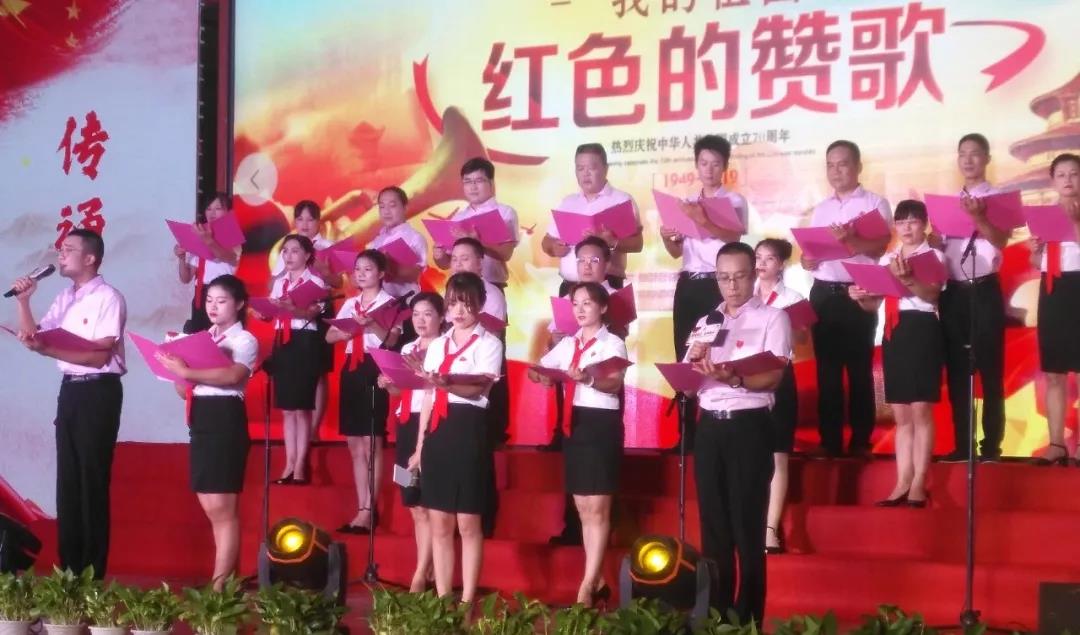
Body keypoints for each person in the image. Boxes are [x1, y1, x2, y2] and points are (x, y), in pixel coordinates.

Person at [12, 228, 127, 578]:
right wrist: (23, 302)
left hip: (99, 392)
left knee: (91, 480)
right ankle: (69, 572)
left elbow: (99, 356)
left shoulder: (108, 297)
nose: (60, 255)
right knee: (68, 482)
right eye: (60, 249)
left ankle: (92, 573)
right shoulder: (65, 297)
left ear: (90, 258)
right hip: (71, 391)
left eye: (69, 249)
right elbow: (35, 337)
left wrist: (47, 348)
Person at [687, 241, 791, 623]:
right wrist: (689, 368)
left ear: (754, 275)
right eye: (723, 278)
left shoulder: (773, 318)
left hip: (748, 426)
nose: (731, 286)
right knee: (713, 530)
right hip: (709, 428)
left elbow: (773, 377)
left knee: (747, 530)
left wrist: (732, 377)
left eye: (739, 277)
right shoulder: (706, 322)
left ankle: (747, 622)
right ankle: (715, 618)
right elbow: (688, 382)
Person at [528, 282, 627, 606]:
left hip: (600, 424)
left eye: (587, 303)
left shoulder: (613, 342)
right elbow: (537, 370)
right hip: (575, 425)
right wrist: (542, 376)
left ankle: (586, 585)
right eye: (576, 304)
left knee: (598, 507)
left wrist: (589, 379)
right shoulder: (568, 343)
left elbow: (614, 383)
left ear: (602, 308)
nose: (581, 309)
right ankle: (597, 579)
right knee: (583, 507)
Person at [408, 272, 503, 604]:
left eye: (466, 303)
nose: (459, 311)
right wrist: (420, 446)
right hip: (439, 433)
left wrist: (445, 383)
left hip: (469, 431)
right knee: (439, 523)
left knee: (468, 523)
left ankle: (467, 600)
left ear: (480, 304)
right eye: (453, 304)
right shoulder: (438, 345)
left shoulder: (490, 344)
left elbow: (478, 388)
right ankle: (443, 598)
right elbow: (428, 398)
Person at [156, 274, 256, 589]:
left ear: (238, 304)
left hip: (225, 419)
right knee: (211, 506)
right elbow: (183, 392)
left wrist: (187, 370)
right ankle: (229, 582)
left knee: (223, 509)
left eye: (221, 301)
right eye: (209, 300)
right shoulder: (201, 339)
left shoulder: (244, 340)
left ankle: (219, 587)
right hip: (200, 418)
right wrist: (176, 371)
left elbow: (233, 376)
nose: (213, 306)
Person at [849, 201, 945, 507]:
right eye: (901, 222)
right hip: (894, 331)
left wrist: (908, 279)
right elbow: (873, 305)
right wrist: (859, 296)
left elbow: (933, 294)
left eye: (913, 222)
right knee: (901, 415)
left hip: (923, 329)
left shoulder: (933, 256)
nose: (907, 227)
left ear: (924, 224)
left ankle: (919, 481)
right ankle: (902, 480)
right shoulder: (888, 258)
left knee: (920, 410)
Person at [803, 140, 892, 458]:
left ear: (857, 167)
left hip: (859, 293)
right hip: (824, 292)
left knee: (858, 370)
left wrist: (851, 239)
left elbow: (879, 248)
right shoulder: (822, 208)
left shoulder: (875, 203)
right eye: (830, 165)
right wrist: (807, 260)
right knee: (826, 372)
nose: (836, 171)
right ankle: (829, 441)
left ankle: (860, 441)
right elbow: (810, 254)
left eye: (842, 164)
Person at [660, 135, 749, 452]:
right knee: (686, 356)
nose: (709, 169)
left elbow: (734, 238)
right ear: (696, 165)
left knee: (716, 355)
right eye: (703, 163)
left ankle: (716, 430)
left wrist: (703, 219)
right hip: (689, 284)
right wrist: (668, 236)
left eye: (715, 164)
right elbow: (675, 252)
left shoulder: (733, 201)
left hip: (718, 285)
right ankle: (686, 436)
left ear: (725, 167)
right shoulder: (684, 203)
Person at [934, 134, 1010, 462]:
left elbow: (1002, 240)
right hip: (952, 292)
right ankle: (963, 446)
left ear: (987, 158)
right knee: (956, 371)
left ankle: (991, 447)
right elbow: (940, 245)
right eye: (962, 154)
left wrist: (979, 218)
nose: (968, 160)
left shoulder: (998, 198)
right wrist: (933, 241)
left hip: (985, 289)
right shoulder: (948, 202)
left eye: (975, 154)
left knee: (990, 370)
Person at [327, 250, 401, 533]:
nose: (360, 274)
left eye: (367, 269)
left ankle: (371, 508)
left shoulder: (390, 303)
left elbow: (392, 340)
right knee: (355, 443)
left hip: (375, 364)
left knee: (372, 440)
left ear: (381, 273)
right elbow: (329, 335)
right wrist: (345, 333)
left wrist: (371, 323)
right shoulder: (350, 303)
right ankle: (362, 508)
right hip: (351, 366)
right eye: (357, 269)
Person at [378, 291, 445, 592]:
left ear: (441, 317)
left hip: (432, 423)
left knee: (429, 501)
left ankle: (422, 572)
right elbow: (401, 392)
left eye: (428, 314)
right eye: (416, 314)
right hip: (405, 424)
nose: (421, 320)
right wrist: (389, 384)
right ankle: (425, 567)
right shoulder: (407, 347)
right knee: (412, 500)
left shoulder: (444, 347)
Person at [251, 234, 328, 485]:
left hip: (304, 341)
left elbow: (313, 313)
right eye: (285, 251)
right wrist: (263, 313)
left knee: (301, 408)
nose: (288, 256)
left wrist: (292, 308)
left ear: (307, 255)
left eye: (295, 251)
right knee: (287, 409)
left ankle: (300, 466)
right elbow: (273, 313)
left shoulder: (315, 281)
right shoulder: (280, 282)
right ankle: (288, 463)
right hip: (281, 341)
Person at [754, 238, 806, 554]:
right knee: (750, 454)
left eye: (769, 258)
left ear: (781, 264)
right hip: (747, 379)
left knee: (777, 454)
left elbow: (801, 339)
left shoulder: (792, 299)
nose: (761, 264)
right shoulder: (744, 296)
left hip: (780, 375)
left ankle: (771, 528)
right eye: (758, 257)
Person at [272, 200, 339, 441]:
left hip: (319, 307)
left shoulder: (328, 247)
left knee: (319, 370)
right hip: (290, 310)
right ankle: (302, 428)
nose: (305, 224)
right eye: (300, 219)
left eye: (310, 219)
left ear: (319, 222)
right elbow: (275, 279)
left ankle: (314, 429)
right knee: (297, 371)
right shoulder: (288, 247)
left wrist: (323, 270)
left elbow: (338, 283)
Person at [1029, 153, 1080, 465]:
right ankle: (1057, 444)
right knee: (1054, 373)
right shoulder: (1045, 215)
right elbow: (1039, 263)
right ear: (1053, 181)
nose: (1068, 180)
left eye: (1073, 173)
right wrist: (1036, 251)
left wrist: (1074, 223)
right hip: (1052, 290)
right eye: (1061, 175)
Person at [542, 143, 642, 293]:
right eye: (580, 168)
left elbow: (637, 244)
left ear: (606, 169)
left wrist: (612, 242)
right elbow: (546, 242)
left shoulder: (622, 200)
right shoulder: (567, 203)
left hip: (607, 287)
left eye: (592, 168)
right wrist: (553, 248)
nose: (585, 174)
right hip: (570, 287)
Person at [433, 157, 520, 290]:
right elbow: (445, 264)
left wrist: (477, 242)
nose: (473, 187)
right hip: (460, 286)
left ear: (491, 182)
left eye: (479, 180)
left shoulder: (505, 212)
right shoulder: (458, 217)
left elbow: (506, 254)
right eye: (467, 181)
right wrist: (439, 256)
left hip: (492, 286)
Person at [174, 193, 240, 334]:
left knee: (219, 339)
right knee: (197, 338)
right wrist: (181, 257)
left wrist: (208, 241)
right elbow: (186, 278)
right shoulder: (200, 237)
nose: (212, 213)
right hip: (200, 297)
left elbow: (227, 256)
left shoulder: (233, 235)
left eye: (218, 208)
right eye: (209, 209)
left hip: (223, 296)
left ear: (228, 211)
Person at [369, 186, 429, 300]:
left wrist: (388, 266)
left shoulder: (414, 237)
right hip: (381, 301)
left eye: (392, 206)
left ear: (405, 208)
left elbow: (415, 274)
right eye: (382, 206)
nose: (386, 211)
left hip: (407, 301)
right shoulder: (377, 240)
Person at [448, 238, 507, 325]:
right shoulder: (448, 292)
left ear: (479, 263)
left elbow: (493, 331)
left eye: (464, 259)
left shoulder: (492, 296)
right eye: (454, 259)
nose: (458, 264)